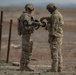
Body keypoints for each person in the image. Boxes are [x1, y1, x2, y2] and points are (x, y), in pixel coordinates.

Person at [40, 3, 64, 72]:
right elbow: (52, 19)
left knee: (54, 53)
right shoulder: (55, 14)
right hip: (58, 36)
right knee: (58, 52)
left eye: (50, 9)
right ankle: (59, 68)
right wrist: (46, 18)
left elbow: (54, 28)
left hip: (55, 37)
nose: (49, 11)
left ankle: (54, 69)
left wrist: (50, 37)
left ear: (53, 8)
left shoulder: (55, 16)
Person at [18, 3, 36, 71]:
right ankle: (22, 66)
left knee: (29, 51)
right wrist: (33, 25)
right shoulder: (25, 16)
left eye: (32, 9)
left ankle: (26, 65)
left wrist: (34, 25)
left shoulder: (29, 16)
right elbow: (25, 27)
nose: (31, 10)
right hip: (26, 35)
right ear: (27, 8)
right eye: (30, 9)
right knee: (25, 51)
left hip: (29, 35)